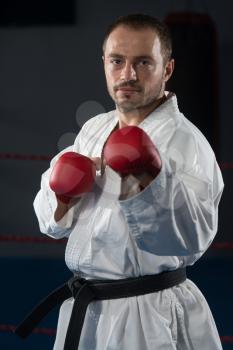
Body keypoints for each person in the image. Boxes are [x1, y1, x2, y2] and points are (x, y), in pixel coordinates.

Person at [18, 13, 224, 350]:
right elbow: (50, 221)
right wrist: (63, 195)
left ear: (167, 69)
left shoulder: (187, 143)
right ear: (104, 63)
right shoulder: (94, 130)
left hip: (148, 315)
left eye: (143, 62)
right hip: (88, 309)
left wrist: (147, 177)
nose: (127, 74)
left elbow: (191, 239)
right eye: (117, 61)